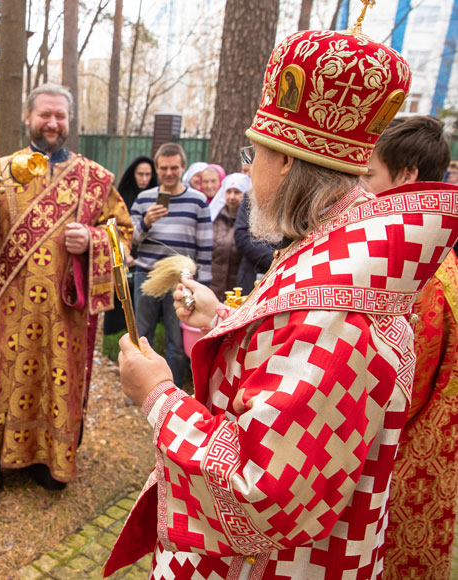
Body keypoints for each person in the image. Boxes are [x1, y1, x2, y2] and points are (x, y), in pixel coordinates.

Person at [105, 24, 458, 580]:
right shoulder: (331, 253)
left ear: (288, 162)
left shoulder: (343, 308)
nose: (247, 167)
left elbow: (260, 494)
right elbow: (288, 361)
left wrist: (157, 397)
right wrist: (223, 318)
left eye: (255, 153)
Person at [0, 84, 132, 490]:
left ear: (69, 121)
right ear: (28, 118)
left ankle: (53, 464)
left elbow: (124, 235)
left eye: (60, 116)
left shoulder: (94, 179)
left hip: (67, 313)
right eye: (45, 115)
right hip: (14, 309)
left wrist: (94, 241)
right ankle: (0, 457)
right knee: (8, 379)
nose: (52, 123)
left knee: (59, 382)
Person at [360, 115, 458, 579]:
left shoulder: (419, 280)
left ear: (407, 178)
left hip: (401, 476)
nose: (359, 191)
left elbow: (388, 395)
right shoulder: (425, 257)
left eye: (367, 176)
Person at [129, 142, 213, 386]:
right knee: (141, 334)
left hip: (182, 280)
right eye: (163, 168)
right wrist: (145, 222)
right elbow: (129, 239)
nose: (168, 173)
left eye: (174, 168)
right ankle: (140, 386)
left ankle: (173, 392)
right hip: (147, 275)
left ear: (183, 168)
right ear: (156, 168)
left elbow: (205, 244)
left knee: (176, 340)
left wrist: (202, 284)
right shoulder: (144, 198)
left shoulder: (198, 201)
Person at [104, 156, 158, 335]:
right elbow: (114, 227)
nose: (144, 179)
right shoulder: (122, 197)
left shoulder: (156, 196)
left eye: (148, 175)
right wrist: (124, 252)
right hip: (124, 257)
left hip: (147, 259)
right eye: (140, 174)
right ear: (132, 174)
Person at [207, 172, 250, 298]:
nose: (232, 197)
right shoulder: (214, 219)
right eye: (228, 192)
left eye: (237, 192)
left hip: (237, 289)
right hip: (213, 287)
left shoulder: (250, 223)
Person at [233, 191, 275, 293]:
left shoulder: (294, 194)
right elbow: (242, 236)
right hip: (252, 273)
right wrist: (274, 257)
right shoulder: (252, 194)